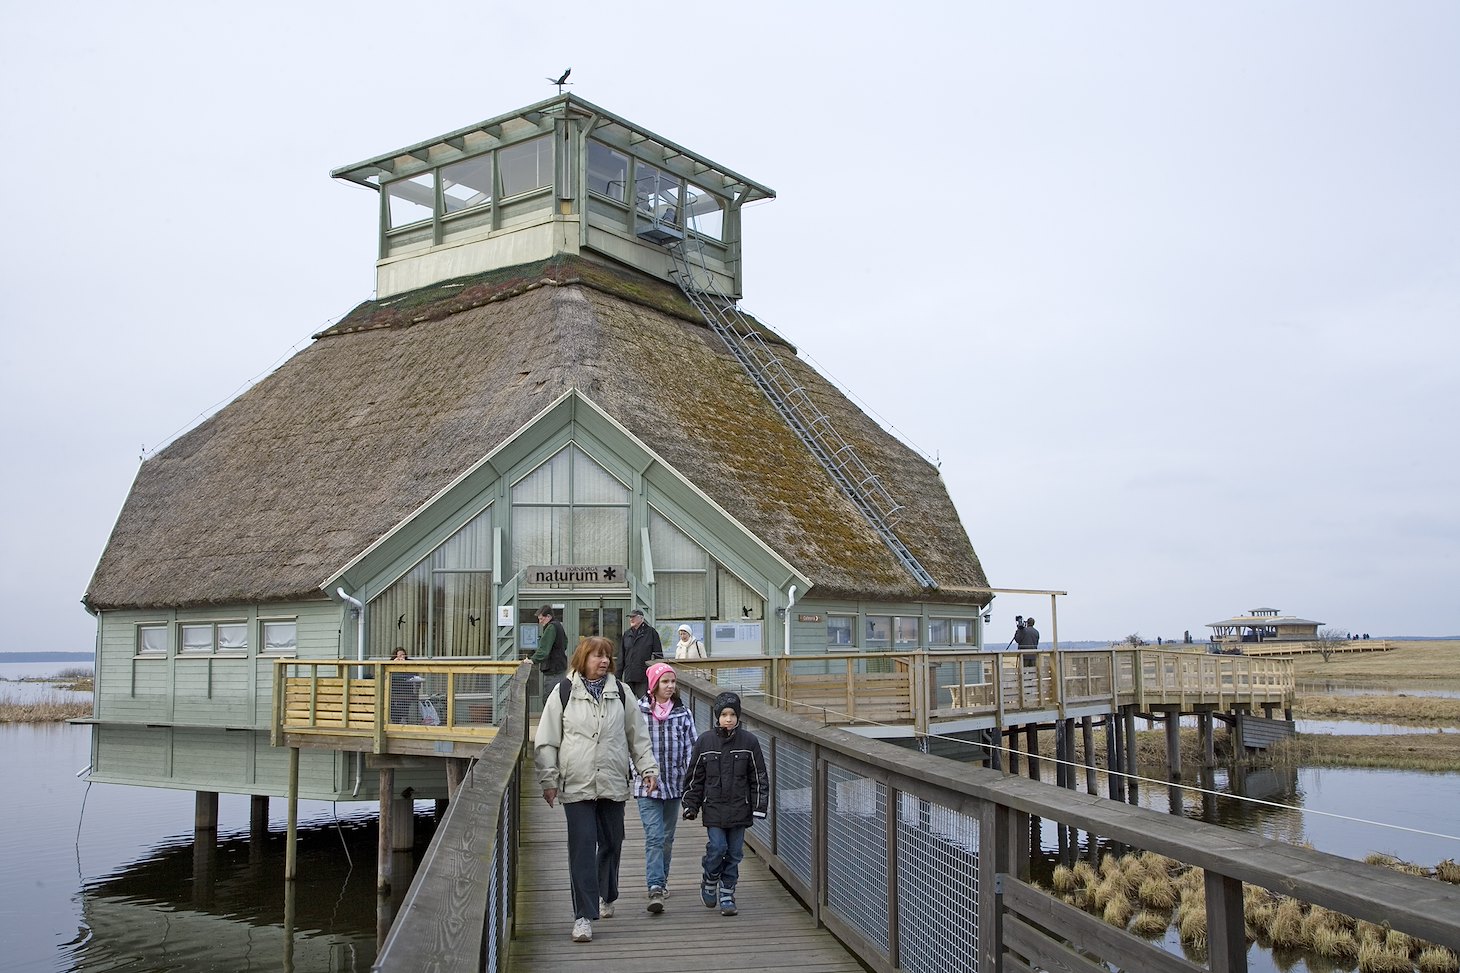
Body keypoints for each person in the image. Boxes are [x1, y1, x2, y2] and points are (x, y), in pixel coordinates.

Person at [534, 636, 659, 944]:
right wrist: (549, 779)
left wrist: (648, 768)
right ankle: (582, 917)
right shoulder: (563, 692)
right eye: (596, 656)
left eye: (607, 656)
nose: (603, 661)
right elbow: (547, 739)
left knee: (612, 843)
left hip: (613, 781)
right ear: (582, 659)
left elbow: (637, 736)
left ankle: (607, 894)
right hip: (576, 782)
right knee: (582, 850)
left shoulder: (622, 693)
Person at [682, 691, 768, 917]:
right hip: (714, 807)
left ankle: (728, 891)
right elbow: (695, 777)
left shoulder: (749, 742)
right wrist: (691, 805)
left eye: (732, 714)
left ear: (738, 716)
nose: (728, 719)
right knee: (718, 847)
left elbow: (759, 777)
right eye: (724, 714)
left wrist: (759, 807)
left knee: (735, 852)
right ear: (717, 716)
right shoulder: (705, 741)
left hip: (740, 807)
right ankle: (709, 878)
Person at [634, 662, 697, 913]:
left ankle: (663, 879)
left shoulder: (683, 713)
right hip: (646, 786)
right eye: (665, 682)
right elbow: (630, 744)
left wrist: (693, 780)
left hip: (675, 784)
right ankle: (655, 886)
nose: (670, 686)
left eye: (673, 682)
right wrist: (638, 771)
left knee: (667, 838)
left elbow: (692, 747)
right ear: (654, 685)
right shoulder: (638, 712)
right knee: (655, 835)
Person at [619, 608, 663, 701]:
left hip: (644, 676)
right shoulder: (627, 634)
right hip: (629, 676)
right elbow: (621, 656)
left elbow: (658, 656)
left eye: (634, 617)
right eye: (630, 617)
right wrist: (617, 676)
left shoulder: (651, 633)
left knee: (645, 703)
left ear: (642, 618)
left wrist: (657, 675)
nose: (631, 619)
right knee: (628, 703)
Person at [388, 648, 422, 724]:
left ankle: (402, 718)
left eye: (403, 655)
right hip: (393, 690)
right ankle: (396, 720)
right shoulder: (390, 663)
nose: (402, 657)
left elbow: (413, 675)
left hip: (406, 690)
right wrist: (394, 665)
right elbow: (389, 676)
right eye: (400, 655)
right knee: (390, 703)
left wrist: (405, 665)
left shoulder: (410, 662)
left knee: (403, 703)